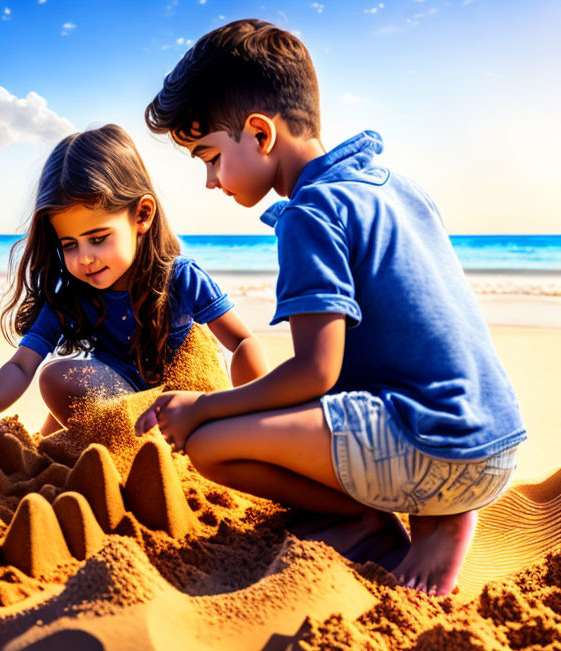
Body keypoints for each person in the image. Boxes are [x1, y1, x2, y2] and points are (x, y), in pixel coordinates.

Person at [137, 19, 526, 596]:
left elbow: (315, 372)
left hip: (438, 451)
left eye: (210, 157)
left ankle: (370, 517)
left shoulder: (309, 215)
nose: (212, 181)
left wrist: (205, 407)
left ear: (261, 134)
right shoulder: (396, 186)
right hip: (497, 439)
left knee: (210, 445)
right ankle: (440, 508)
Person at [0, 124, 268, 440]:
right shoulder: (72, 297)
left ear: (142, 215)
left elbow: (243, 342)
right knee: (56, 384)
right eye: (69, 244)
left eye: (98, 238)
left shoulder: (180, 278)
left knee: (61, 393)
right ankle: (84, 438)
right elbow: (22, 366)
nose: (84, 258)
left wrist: (244, 411)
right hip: (118, 405)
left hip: (180, 410)